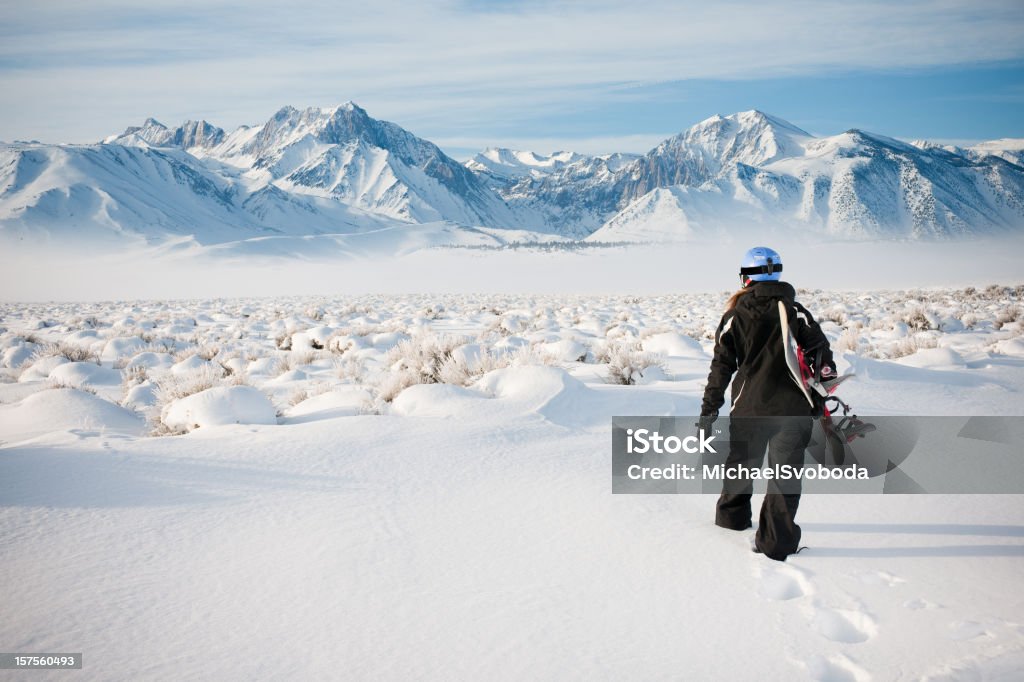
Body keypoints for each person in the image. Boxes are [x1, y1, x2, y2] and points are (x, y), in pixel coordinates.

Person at [699, 246, 836, 561]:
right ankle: (776, 543)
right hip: (793, 411)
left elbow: (721, 368)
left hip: (750, 408)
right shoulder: (795, 311)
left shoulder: (734, 316)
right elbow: (822, 358)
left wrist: (708, 409)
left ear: (746, 278)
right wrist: (820, 392)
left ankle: (731, 521)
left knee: (740, 464)